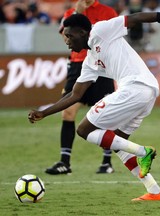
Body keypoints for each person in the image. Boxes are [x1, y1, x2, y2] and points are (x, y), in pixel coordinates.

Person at [28, 8, 160, 201]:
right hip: (146, 93)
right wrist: (44, 113)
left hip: (135, 87)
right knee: (119, 144)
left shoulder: (100, 30)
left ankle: (143, 151)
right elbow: (75, 94)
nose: (66, 41)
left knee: (83, 130)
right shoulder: (90, 62)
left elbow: (136, 17)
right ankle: (155, 191)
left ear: (82, 32)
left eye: (69, 36)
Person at [45, 0, 118, 175]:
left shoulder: (107, 12)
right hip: (78, 66)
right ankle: (65, 162)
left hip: (101, 67)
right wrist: (77, 14)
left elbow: (115, 38)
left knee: (105, 113)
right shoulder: (71, 12)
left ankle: (106, 162)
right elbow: (65, 37)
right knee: (68, 112)